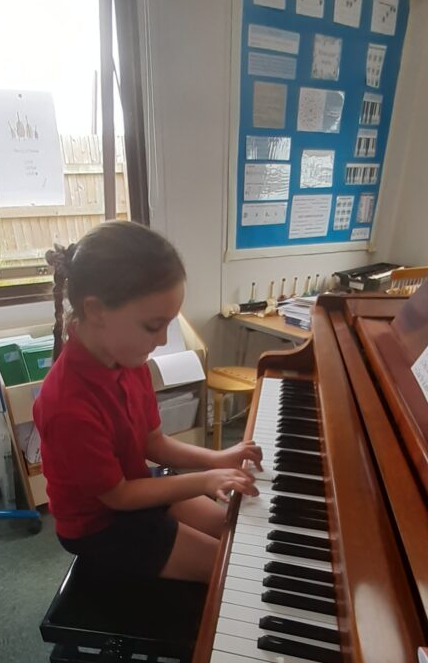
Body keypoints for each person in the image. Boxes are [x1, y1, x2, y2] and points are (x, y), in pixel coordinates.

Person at [32, 221, 262, 583]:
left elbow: (152, 442)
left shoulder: (129, 360)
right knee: (234, 573)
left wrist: (217, 459)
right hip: (99, 524)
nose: (162, 339)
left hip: (136, 488)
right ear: (95, 311)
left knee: (243, 537)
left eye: (169, 324)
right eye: (153, 326)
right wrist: (204, 480)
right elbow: (119, 497)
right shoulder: (66, 405)